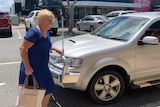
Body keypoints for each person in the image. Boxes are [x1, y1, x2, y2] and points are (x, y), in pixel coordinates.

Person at [18, 9, 62, 107]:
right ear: (42, 20)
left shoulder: (46, 32)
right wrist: (27, 67)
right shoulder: (33, 33)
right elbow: (22, 49)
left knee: (48, 90)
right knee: (32, 95)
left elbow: (44, 45)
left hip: (43, 69)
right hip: (32, 69)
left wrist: (55, 49)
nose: (52, 23)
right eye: (50, 21)